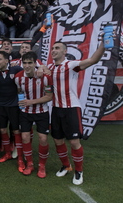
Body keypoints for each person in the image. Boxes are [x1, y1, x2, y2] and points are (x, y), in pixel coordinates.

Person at [48, 40, 106, 185]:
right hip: (56, 109)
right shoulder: (49, 67)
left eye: (57, 48)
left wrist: (104, 43)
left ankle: (79, 171)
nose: (53, 50)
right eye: (52, 48)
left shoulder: (71, 65)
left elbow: (93, 60)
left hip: (71, 109)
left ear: (64, 52)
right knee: (57, 140)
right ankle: (66, 166)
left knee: (74, 141)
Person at [14, 51, 53, 178]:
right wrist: (22, 102)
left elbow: (49, 97)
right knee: (25, 137)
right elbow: (20, 91)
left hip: (42, 111)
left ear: (35, 63)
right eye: (24, 63)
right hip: (25, 113)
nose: (27, 66)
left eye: (30, 63)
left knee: (43, 139)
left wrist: (31, 102)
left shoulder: (45, 77)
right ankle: (30, 164)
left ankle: (42, 166)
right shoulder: (18, 77)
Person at [0, 51, 24, 172]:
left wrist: (42, 68)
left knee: (16, 130)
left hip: (14, 106)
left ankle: (20, 158)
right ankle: (7, 153)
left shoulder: (16, 69)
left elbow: (28, 72)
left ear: (6, 60)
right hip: (1, 105)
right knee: (3, 130)